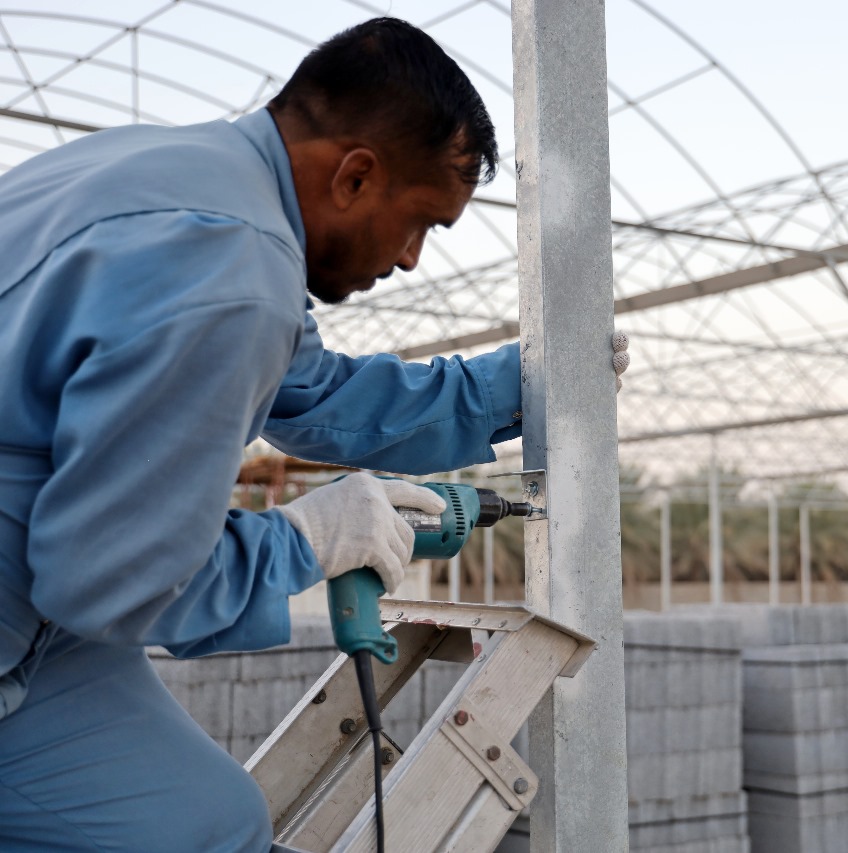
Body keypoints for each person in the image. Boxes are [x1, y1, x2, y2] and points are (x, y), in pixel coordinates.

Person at [0, 17, 627, 851]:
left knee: (214, 820)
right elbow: (108, 579)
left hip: (31, 612)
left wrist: (526, 382)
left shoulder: (178, 180)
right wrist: (304, 541)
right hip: (43, 596)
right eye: (422, 224)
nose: (409, 259)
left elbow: (322, 398)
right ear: (357, 176)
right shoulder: (231, 274)